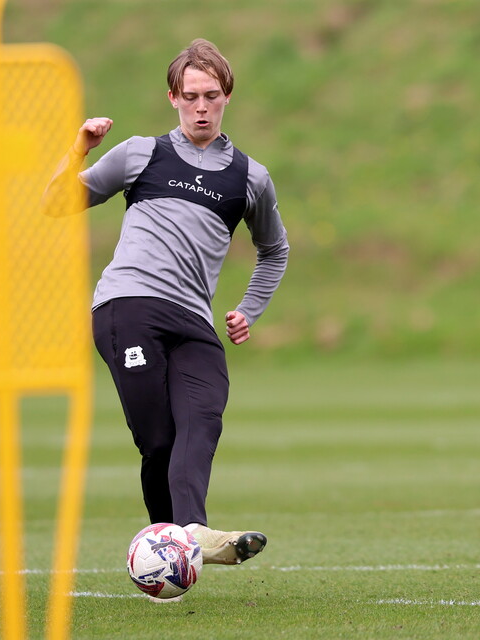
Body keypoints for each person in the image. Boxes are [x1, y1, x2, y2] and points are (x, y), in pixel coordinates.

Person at [47, 38, 288, 580]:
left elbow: (275, 250)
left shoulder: (250, 178)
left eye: (212, 95)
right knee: (158, 441)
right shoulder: (140, 154)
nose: (201, 106)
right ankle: (176, 543)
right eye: (191, 96)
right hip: (126, 307)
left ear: (227, 96)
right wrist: (78, 149)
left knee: (201, 422)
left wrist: (250, 307)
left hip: (194, 323)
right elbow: (53, 203)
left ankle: (188, 537)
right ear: (173, 98)